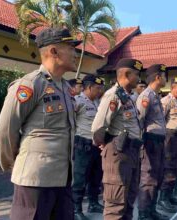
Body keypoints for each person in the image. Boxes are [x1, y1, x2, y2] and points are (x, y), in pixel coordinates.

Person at [0, 28, 81, 219]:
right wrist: (14, 163)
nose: (75, 54)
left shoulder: (66, 89)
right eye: (70, 48)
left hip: (63, 178)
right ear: (53, 51)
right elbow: (4, 129)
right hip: (35, 180)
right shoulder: (31, 84)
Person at [91, 58, 144, 220]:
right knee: (116, 202)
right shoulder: (113, 95)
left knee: (129, 198)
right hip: (118, 152)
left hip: (131, 152)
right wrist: (104, 144)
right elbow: (98, 126)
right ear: (127, 74)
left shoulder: (127, 96)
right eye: (137, 74)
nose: (139, 78)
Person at [136, 64, 168, 220]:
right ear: (158, 77)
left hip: (159, 141)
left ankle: (151, 210)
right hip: (149, 142)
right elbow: (139, 121)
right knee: (148, 178)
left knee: (158, 176)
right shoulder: (146, 96)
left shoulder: (156, 96)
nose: (165, 78)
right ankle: (143, 214)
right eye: (164, 75)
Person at [72, 75, 105, 220]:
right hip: (83, 144)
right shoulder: (77, 101)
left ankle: (93, 203)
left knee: (96, 176)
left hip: (96, 145)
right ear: (89, 87)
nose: (100, 91)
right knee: (80, 177)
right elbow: (69, 121)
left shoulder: (97, 102)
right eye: (98, 88)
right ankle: (76, 209)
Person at [158, 77, 177, 213]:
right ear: (172, 88)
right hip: (170, 138)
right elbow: (161, 120)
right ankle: (163, 198)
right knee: (169, 167)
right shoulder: (166, 101)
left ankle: (171, 195)